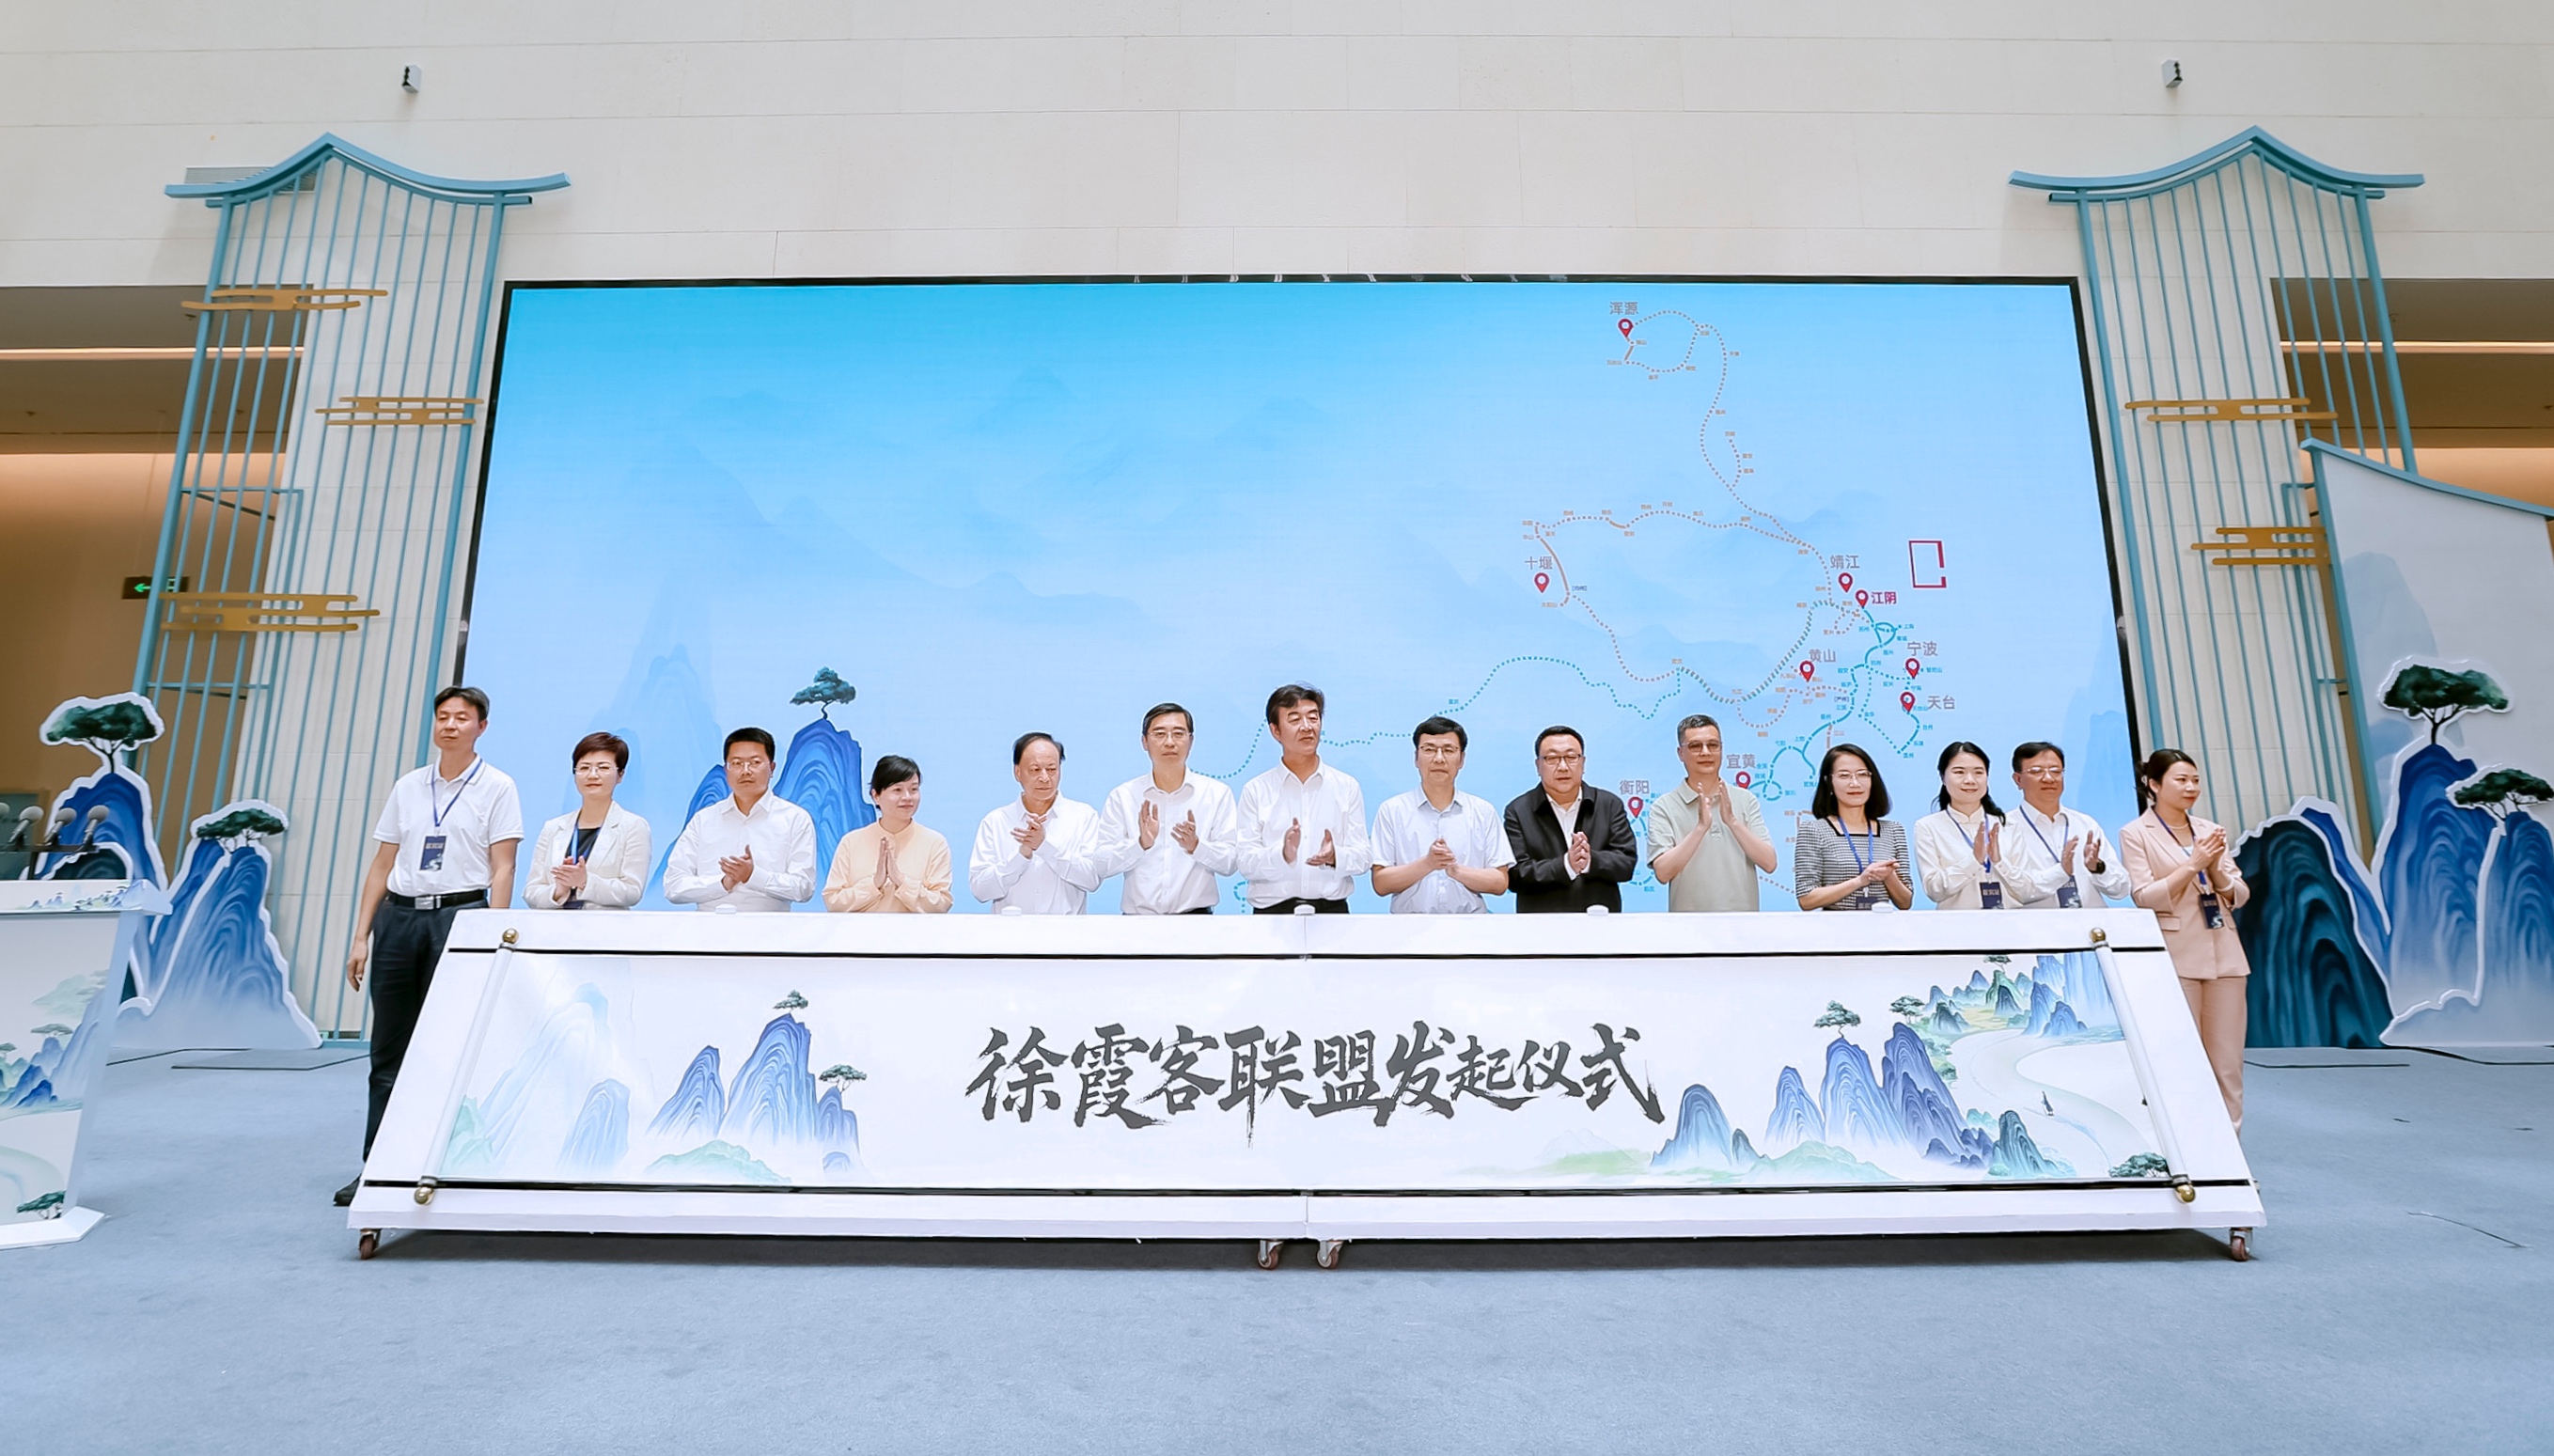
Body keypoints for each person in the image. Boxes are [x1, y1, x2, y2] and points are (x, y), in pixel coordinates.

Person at [337, 685, 524, 1205]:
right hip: (399, 918)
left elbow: (503, 867)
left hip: (460, 917)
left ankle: (443, 1164)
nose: (450, 725)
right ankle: (377, 1168)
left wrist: (493, 935)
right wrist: (361, 936)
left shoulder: (498, 786)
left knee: (451, 1045)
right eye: (443, 716)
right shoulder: (410, 786)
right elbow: (382, 864)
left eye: (461, 718)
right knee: (388, 1050)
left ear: (481, 727)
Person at [2120, 748, 2251, 1133]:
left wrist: (2216, 870)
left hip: (2226, 953)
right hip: (2175, 957)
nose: (2191, 787)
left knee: (2228, 1063)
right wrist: (2193, 865)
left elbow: (2240, 892)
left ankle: (2230, 1150)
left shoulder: (2210, 831)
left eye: (2195, 780)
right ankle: (2187, 1146)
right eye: (2180, 780)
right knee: (2179, 1059)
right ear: (2153, 784)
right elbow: (2145, 896)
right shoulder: (2135, 833)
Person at [1235, 683, 1369, 914]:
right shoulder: (1256, 790)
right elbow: (1245, 862)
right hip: (1271, 916)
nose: (1307, 727)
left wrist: (1335, 856)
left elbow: (1363, 857)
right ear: (1275, 731)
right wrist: (1282, 854)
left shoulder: (1346, 786)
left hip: (1332, 914)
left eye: (1313, 718)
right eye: (1295, 719)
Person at [1094, 703, 1239, 915]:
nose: (1170, 742)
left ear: (1191, 740)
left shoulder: (1216, 794)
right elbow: (1101, 865)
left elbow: (1231, 862)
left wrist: (1196, 846)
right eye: (1159, 734)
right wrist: (1140, 844)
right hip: (1137, 923)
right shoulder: (1123, 796)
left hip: (1196, 922)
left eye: (1178, 734)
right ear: (1144, 742)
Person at [1369, 715, 1513, 914]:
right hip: (1409, 927)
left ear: (1461, 759)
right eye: (1429, 749)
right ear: (1416, 758)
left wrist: (1456, 870)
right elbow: (1381, 883)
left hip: (1470, 926)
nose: (1438, 758)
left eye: (1448, 750)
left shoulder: (1483, 811)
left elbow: (1500, 882)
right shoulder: (1392, 810)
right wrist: (1428, 863)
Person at [663, 728, 817, 911]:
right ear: (726, 770)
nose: (745, 771)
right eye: (736, 763)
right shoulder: (703, 820)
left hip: (771, 926)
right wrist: (722, 883)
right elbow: (673, 886)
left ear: (772, 768)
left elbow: (804, 887)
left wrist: (753, 876)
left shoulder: (795, 819)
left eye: (755, 762)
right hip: (710, 925)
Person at [1644, 713, 1776, 912]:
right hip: (1688, 924)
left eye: (1713, 745)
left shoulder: (1745, 799)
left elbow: (1769, 863)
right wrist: (1700, 828)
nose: (1705, 752)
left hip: (1743, 922)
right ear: (1680, 753)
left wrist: (1732, 821)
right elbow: (1663, 873)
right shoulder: (1664, 806)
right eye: (1695, 746)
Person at [1504, 726, 1637, 914]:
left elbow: (1626, 864)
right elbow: (1516, 875)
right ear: (1538, 766)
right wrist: (1565, 865)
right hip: (1540, 923)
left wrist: (1590, 860)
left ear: (1583, 763)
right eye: (1551, 758)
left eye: (1571, 757)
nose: (1563, 767)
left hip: (1599, 921)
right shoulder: (1518, 810)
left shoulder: (1608, 805)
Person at [967, 732, 1104, 914]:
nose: (1045, 778)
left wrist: (1045, 846)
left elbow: (1092, 880)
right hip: (1010, 930)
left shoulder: (1083, 816)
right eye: (1035, 770)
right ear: (1017, 772)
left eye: (1052, 769)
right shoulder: (995, 821)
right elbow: (980, 891)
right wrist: (1021, 856)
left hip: (1066, 930)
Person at [524, 731, 652, 911]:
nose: (592, 775)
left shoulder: (633, 826)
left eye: (603, 768)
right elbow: (531, 892)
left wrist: (585, 882)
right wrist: (559, 890)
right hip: (554, 926)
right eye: (584, 768)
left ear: (620, 775)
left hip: (604, 926)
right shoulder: (553, 828)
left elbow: (632, 891)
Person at [2000, 741, 2131, 909]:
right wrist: (2061, 872)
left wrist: (2098, 868)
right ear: (2018, 779)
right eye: (2037, 771)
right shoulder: (2005, 828)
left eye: (2056, 771)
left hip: (2091, 923)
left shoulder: (2085, 824)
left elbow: (2121, 890)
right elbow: (2013, 890)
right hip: (2039, 924)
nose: (2048, 778)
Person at [822, 755, 952, 913]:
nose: (907, 797)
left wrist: (902, 882)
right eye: (897, 790)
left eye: (914, 789)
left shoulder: (935, 843)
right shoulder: (851, 842)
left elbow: (941, 904)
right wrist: (874, 884)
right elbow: (833, 902)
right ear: (876, 796)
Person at [1794, 743, 1912, 911]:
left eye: (1862, 774)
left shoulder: (1893, 830)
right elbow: (1806, 899)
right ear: (1829, 782)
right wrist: (1860, 881)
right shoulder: (1814, 830)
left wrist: (1889, 877)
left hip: (1882, 924)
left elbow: (1905, 903)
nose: (1855, 783)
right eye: (1844, 776)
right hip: (1834, 925)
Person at [1913, 740, 2014, 910]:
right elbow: (1934, 889)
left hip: (2010, 920)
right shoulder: (1928, 827)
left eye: (1978, 772)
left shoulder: (2007, 824)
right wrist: (1973, 861)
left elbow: (2025, 887)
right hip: (1956, 923)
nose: (1970, 780)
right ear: (1943, 777)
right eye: (1959, 772)